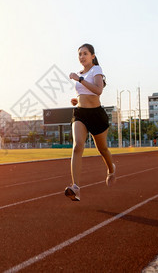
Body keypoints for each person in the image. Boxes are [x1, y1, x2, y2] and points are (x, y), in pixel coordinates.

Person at [64, 43, 115, 202]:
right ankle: (76, 188)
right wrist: (77, 99)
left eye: (85, 53)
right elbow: (83, 92)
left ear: (92, 56)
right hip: (80, 113)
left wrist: (79, 79)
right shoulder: (80, 73)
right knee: (78, 145)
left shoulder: (96, 70)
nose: (82, 57)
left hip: (96, 115)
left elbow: (98, 90)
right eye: (79, 54)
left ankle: (111, 169)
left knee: (102, 148)